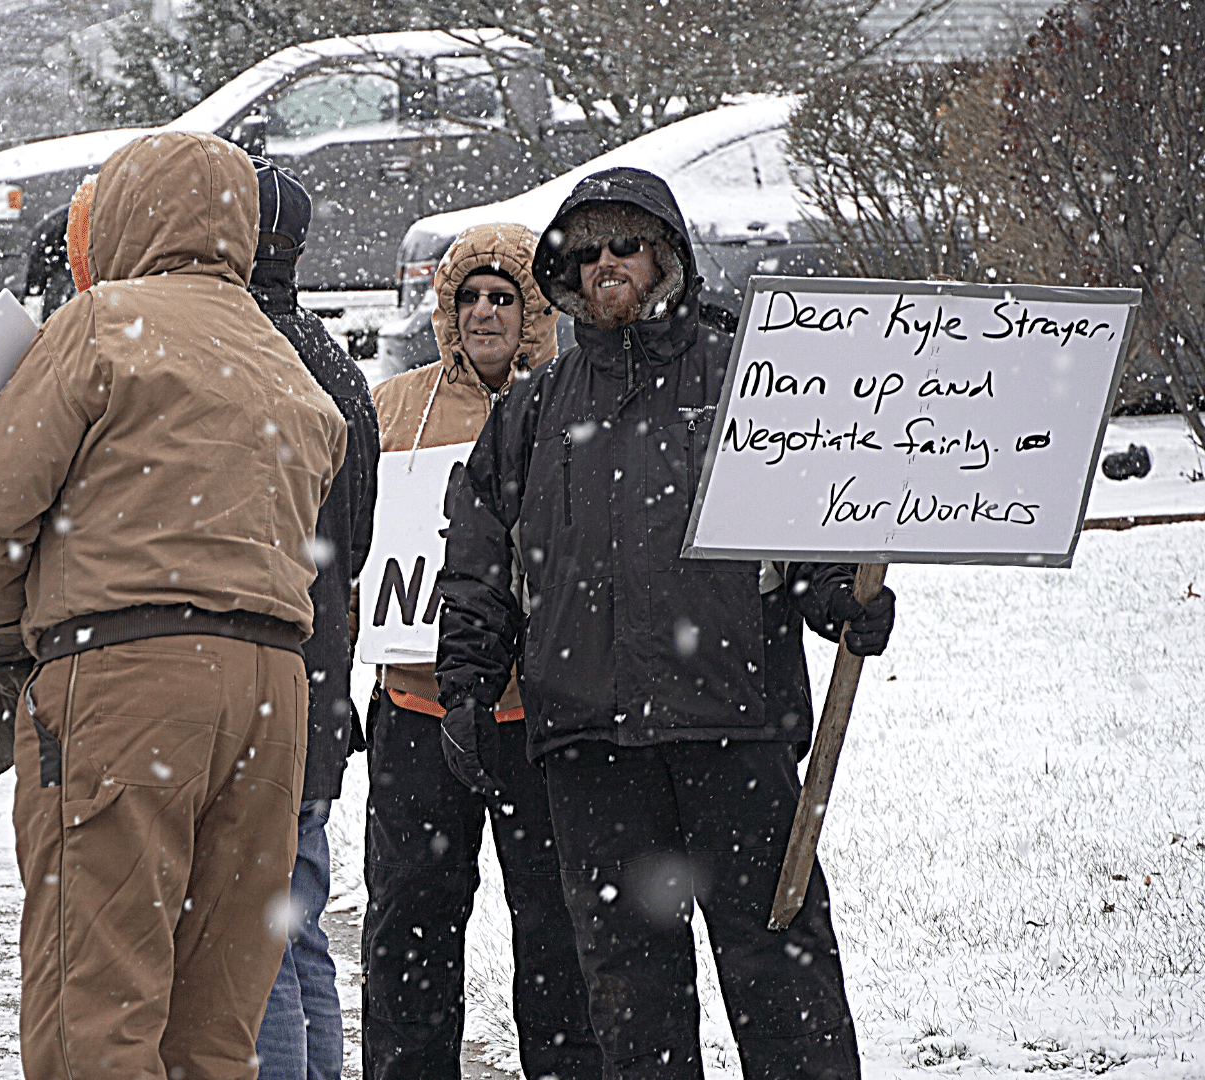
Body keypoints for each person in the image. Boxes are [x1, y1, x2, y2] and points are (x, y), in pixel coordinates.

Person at [437, 167, 898, 1080]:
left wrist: (844, 594)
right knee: (629, 990)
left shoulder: (741, 380)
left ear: (667, 258)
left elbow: (806, 526)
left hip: (737, 726)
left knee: (780, 971)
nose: (609, 262)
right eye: (589, 248)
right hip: (590, 743)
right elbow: (478, 566)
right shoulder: (532, 409)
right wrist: (466, 686)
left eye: (628, 243)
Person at [0, 131, 348, 1080]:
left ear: (125, 212)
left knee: (96, 1002)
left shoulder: (102, 323)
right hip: (273, 695)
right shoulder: (286, 361)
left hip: (130, 678)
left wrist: (6, 636)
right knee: (218, 1022)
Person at [362, 223, 601, 1080]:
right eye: (468, 296)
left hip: (542, 717)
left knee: (559, 931)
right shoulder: (394, 410)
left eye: (505, 297)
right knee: (409, 925)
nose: (485, 313)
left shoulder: (574, 405)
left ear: (535, 310)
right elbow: (354, 543)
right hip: (419, 710)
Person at [243, 157, 380, 1080]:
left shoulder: (240, 354)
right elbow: (356, 536)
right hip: (321, 677)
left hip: (260, 679)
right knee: (299, 931)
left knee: (255, 951)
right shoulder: (335, 363)